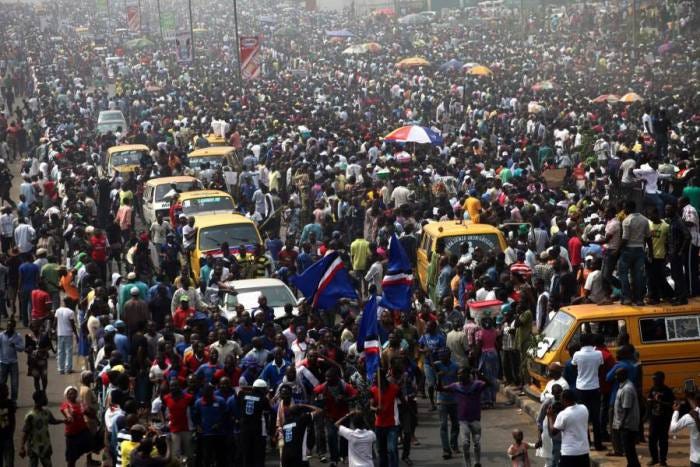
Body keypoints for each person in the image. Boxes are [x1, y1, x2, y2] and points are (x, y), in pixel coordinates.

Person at [439, 368, 487, 467]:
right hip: (463, 420)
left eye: (461, 374)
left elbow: (489, 384)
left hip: (475, 419)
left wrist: (480, 375)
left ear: (468, 374)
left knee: (477, 443)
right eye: (458, 374)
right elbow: (440, 389)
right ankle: (468, 464)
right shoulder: (456, 386)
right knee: (465, 443)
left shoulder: (476, 385)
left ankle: (477, 462)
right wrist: (439, 378)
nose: (459, 376)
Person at [571, 332, 604, 451]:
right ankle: (598, 444)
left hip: (581, 389)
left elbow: (574, 366)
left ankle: (587, 443)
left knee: (583, 417)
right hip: (595, 387)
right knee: (596, 418)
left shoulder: (577, 354)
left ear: (581, 342)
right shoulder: (598, 354)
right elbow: (600, 367)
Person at [19, 390, 66, 466]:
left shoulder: (46, 412)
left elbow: (53, 421)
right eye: (44, 397)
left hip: (45, 444)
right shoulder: (31, 416)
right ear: (39, 399)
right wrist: (22, 447)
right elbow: (25, 432)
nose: (46, 399)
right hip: (33, 446)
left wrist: (63, 421)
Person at [548, 389, 590, 467]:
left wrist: (550, 417)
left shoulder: (563, 414)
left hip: (569, 453)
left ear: (565, 400)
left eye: (561, 399)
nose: (560, 401)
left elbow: (553, 432)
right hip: (584, 451)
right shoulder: (584, 408)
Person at [612, 367, 640, 467]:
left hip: (627, 425)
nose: (615, 377)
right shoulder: (622, 386)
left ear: (624, 375)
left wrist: (621, 424)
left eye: (617, 375)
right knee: (628, 448)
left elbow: (626, 409)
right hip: (625, 424)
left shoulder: (627, 389)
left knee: (629, 448)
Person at [60, 385, 93, 467]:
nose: (72, 395)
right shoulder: (66, 405)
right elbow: (66, 412)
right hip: (72, 435)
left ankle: (89, 461)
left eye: (74, 393)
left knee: (90, 447)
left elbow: (89, 414)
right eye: (70, 394)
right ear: (67, 395)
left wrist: (87, 411)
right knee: (71, 459)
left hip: (82, 431)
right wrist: (69, 416)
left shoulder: (80, 403)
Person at [646, 371, 674, 466]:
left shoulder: (667, 391)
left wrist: (659, 402)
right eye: (653, 379)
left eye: (656, 379)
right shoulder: (652, 389)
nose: (654, 381)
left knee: (663, 440)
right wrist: (649, 403)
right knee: (652, 440)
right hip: (654, 419)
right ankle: (654, 459)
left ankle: (663, 460)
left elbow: (671, 404)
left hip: (664, 419)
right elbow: (649, 400)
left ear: (662, 379)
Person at [0, 318, 24, 401]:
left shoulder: (17, 336)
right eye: (8, 325)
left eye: (11, 326)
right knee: (2, 382)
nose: (9, 327)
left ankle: (14, 400)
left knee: (14, 383)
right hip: (3, 362)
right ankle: (2, 399)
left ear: (14, 327)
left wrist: (15, 346)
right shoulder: (1, 335)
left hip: (13, 362)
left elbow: (22, 348)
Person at [55, 298, 77, 375]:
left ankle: (61, 369)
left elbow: (55, 322)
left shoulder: (58, 311)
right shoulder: (70, 312)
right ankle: (68, 369)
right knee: (68, 351)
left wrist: (54, 330)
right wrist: (76, 334)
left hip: (60, 333)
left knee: (60, 351)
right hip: (68, 333)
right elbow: (72, 325)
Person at [0, 382, 16, 467]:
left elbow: (13, 420)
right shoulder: (10, 403)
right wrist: (11, 432)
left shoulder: (10, 403)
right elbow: (13, 420)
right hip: (7, 436)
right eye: (6, 390)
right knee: (9, 461)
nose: (8, 392)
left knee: (9, 462)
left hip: (7, 436)